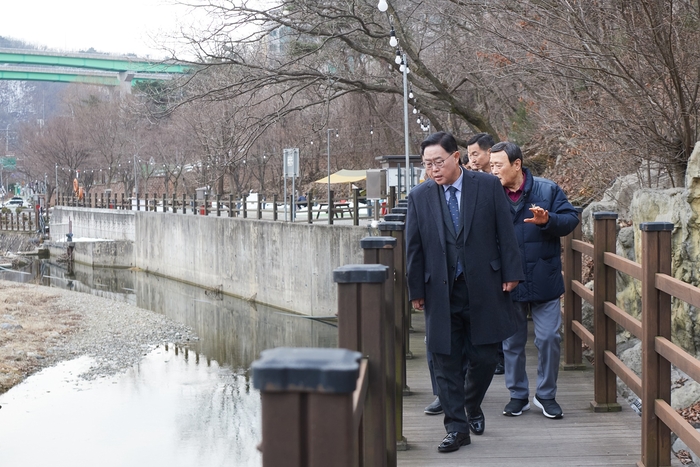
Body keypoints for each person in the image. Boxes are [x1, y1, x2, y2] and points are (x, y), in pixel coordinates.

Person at [406, 131, 524, 453]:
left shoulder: (486, 186)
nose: (433, 169)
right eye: (428, 164)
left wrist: (513, 272)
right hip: (440, 292)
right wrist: (415, 289)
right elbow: (413, 248)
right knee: (444, 361)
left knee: (484, 358)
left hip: (484, 286)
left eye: (438, 162)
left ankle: (471, 405)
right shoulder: (420, 196)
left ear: (455, 157)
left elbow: (505, 229)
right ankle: (457, 428)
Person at [489, 141, 579, 420]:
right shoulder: (490, 192)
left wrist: (548, 220)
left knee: (549, 337)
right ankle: (518, 395)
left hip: (544, 277)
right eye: (490, 165)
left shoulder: (547, 189)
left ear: (516, 164)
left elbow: (571, 218)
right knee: (511, 343)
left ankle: (546, 394)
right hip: (508, 280)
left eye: (498, 165)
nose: (493, 171)